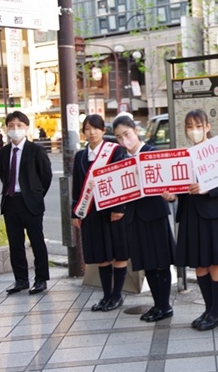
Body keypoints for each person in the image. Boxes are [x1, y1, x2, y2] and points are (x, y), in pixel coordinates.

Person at [162, 109, 218, 331]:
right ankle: (208, 309)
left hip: (212, 213)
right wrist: (172, 196)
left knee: (214, 262)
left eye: (197, 126)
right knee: (199, 263)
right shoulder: (183, 155)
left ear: (207, 127)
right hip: (190, 214)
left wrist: (207, 189)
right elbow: (178, 185)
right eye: (189, 127)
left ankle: (216, 312)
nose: (193, 130)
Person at [113, 115, 176, 322]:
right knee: (147, 262)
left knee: (161, 261)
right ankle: (157, 305)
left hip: (155, 214)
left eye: (127, 134)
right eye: (119, 137)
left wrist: (169, 194)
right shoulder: (121, 160)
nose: (124, 140)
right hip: (134, 216)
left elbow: (168, 183)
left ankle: (165, 306)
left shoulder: (152, 153)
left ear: (136, 131)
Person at [72, 114, 128, 311]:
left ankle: (117, 295)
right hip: (90, 211)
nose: (92, 132)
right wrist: (75, 212)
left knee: (118, 252)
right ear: (83, 132)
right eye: (88, 129)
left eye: (96, 128)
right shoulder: (80, 156)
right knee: (101, 254)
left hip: (112, 211)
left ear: (103, 130)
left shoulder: (115, 151)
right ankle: (106, 296)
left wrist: (119, 208)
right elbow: (77, 186)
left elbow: (122, 179)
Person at [0, 111, 52, 295]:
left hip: (31, 203)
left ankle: (41, 279)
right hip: (10, 202)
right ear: (6, 128)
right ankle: (21, 280)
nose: (15, 129)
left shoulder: (36, 150)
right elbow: (3, 175)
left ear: (26, 127)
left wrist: (36, 195)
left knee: (37, 241)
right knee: (15, 243)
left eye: (19, 125)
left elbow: (46, 176)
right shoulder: (2, 153)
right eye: (11, 125)